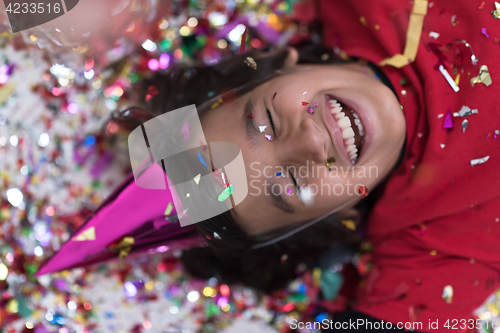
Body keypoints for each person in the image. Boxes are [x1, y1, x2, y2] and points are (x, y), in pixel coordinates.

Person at [38, 0, 500, 331]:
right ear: (340, 217)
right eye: (293, 182)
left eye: (266, 122)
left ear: (283, 65)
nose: (311, 142)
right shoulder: (433, 238)